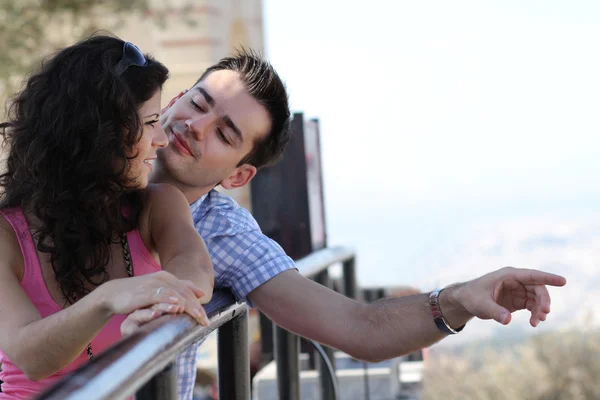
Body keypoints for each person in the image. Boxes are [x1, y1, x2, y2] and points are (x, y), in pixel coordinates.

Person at [119, 50, 567, 400]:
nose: (196, 126)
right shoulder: (78, 173)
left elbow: (358, 327)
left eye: (225, 133)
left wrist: (459, 299)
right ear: (176, 100)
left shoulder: (224, 233)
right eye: (198, 104)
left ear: (238, 175)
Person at [0, 35, 215, 399]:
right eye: (149, 122)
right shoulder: (6, 233)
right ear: (97, 134)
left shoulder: (158, 204)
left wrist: (164, 300)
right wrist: (108, 298)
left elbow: (194, 266)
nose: (161, 139)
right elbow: (30, 357)